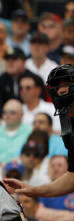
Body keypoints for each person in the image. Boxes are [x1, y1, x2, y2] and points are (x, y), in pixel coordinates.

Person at [5, 65, 74, 198]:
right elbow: (72, 177)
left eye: (67, 84)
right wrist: (35, 190)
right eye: (57, 87)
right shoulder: (68, 123)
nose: (61, 91)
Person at [0, 99, 32, 164]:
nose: (7, 115)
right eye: (4, 112)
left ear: (22, 115)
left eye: (12, 112)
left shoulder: (31, 132)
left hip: (23, 170)